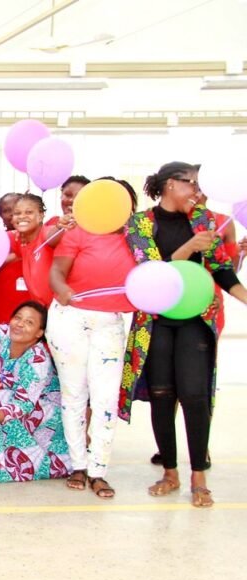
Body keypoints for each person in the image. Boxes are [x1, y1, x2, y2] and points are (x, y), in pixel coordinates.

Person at [120, 162, 247, 508]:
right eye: (189, 182)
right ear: (168, 185)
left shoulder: (206, 220)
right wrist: (190, 247)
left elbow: (221, 269)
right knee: (162, 394)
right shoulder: (141, 222)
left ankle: (199, 477)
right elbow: (152, 271)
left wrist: (244, 296)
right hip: (156, 320)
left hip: (195, 320)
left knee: (195, 395)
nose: (195, 189)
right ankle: (170, 472)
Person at [47, 182, 138, 498]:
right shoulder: (78, 232)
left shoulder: (137, 239)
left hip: (109, 324)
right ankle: (78, 465)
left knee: (105, 398)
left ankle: (99, 470)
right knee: (74, 394)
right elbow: (56, 271)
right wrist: (62, 290)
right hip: (69, 319)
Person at [0, 301, 71, 482]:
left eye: (29, 322)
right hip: (10, 401)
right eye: (18, 318)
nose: (20, 324)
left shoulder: (38, 360)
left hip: (44, 412)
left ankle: (12, 462)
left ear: (40, 333)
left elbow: (24, 403)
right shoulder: (5, 333)